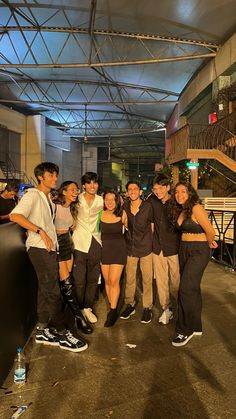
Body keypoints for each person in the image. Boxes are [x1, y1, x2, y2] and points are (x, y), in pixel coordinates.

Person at [10, 162, 87, 352]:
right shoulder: (33, 195)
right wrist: (40, 231)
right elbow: (15, 216)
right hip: (38, 248)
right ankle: (62, 333)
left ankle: (42, 329)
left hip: (49, 249)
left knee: (45, 291)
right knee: (53, 291)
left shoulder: (47, 197)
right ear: (40, 177)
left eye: (55, 175)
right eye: (50, 175)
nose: (54, 178)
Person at [169, 182, 218, 347]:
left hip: (198, 251)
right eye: (177, 192)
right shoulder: (183, 209)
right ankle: (196, 326)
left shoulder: (196, 208)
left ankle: (185, 330)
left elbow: (210, 231)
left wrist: (208, 243)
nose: (179, 194)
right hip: (184, 250)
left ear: (190, 193)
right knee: (193, 289)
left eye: (183, 191)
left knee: (185, 290)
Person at [53, 181, 93, 334]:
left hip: (68, 243)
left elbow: (72, 226)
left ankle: (63, 317)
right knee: (67, 283)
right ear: (63, 191)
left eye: (76, 189)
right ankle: (79, 318)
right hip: (56, 242)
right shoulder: (54, 206)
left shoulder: (72, 207)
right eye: (72, 189)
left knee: (66, 282)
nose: (75, 192)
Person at [147, 174, 180, 324]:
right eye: (155, 188)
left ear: (167, 187)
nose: (158, 191)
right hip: (158, 248)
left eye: (161, 188)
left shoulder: (177, 202)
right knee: (161, 281)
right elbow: (149, 223)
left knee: (176, 281)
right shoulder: (152, 201)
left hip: (174, 247)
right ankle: (166, 309)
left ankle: (179, 308)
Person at [120, 181, 153, 324]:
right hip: (130, 248)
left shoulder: (147, 206)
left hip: (146, 248)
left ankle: (147, 307)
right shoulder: (124, 206)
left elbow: (152, 227)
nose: (132, 191)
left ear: (140, 191)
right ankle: (130, 304)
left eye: (135, 189)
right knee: (130, 279)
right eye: (130, 189)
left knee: (146, 279)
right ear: (127, 192)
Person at [72, 172, 103, 324]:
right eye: (89, 183)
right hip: (78, 242)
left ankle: (87, 307)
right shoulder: (76, 199)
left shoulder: (101, 200)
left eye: (95, 183)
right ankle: (77, 310)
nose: (92, 185)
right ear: (83, 185)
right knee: (79, 279)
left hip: (96, 242)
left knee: (92, 278)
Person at [100, 190, 127, 327]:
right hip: (104, 250)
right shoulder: (100, 213)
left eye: (112, 199)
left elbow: (132, 230)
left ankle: (113, 310)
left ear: (117, 201)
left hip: (118, 250)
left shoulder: (122, 214)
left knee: (114, 280)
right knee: (107, 281)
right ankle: (112, 305)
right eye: (107, 199)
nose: (110, 202)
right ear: (103, 200)